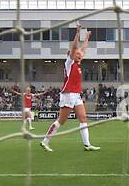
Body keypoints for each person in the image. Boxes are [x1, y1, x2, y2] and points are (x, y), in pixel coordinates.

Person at [40, 22, 100, 152]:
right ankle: (45, 141)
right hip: (68, 94)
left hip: (76, 94)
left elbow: (83, 48)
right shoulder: (70, 62)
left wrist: (87, 38)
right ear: (72, 55)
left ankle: (87, 144)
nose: (80, 54)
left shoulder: (77, 63)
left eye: (80, 54)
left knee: (83, 118)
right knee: (61, 120)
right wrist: (78, 32)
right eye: (77, 53)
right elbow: (75, 47)